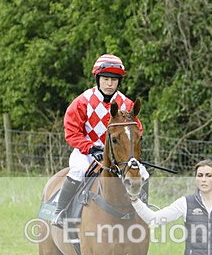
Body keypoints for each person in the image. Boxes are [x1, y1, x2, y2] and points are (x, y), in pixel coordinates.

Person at [53, 53, 148, 227]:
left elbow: (136, 131)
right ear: (98, 79)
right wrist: (90, 148)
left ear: (119, 81)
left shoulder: (126, 104)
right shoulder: (82, 102)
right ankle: (60, 212)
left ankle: (144, 213)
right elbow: (72, 132)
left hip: (118, 155)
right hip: (87, 152)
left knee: (142, 173)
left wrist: (130, 152)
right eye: (106, 79)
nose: (110, 84)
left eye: (114, 80)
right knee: (78, 170)